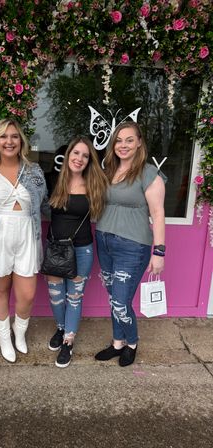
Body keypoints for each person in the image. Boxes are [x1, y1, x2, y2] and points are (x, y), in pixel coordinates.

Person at [0, 118, 49, 363]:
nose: (9, 141)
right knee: (1, 289)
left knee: (26, 294)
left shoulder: (34, 170)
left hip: (27, 232)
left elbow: (44, 203)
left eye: (14, 136)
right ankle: (5, 338)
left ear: (21, 141)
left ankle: (19, 332)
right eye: (3, 136)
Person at [94, 122, 166, 367]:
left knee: (120, 301)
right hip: (104, 241)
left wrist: (159, 252)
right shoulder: (108, 170)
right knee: (113, 296)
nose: (122, 145)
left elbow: (157, 215)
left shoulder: (149, 174)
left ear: (139, 143)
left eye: (128, 140)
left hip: (132, 246)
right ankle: (117, 343)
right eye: (118, 140)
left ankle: (132, 342)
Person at [45, 136, 108, 368]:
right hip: (54, 248)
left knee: (74, 297)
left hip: (82, 250)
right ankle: (61, 328)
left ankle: (68, 342)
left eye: (85, 155)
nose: (79, 158)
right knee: (55, 296)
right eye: (76, 153)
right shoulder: (52, 180)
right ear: (68, 154)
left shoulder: (95, 185)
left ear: (89, 160)